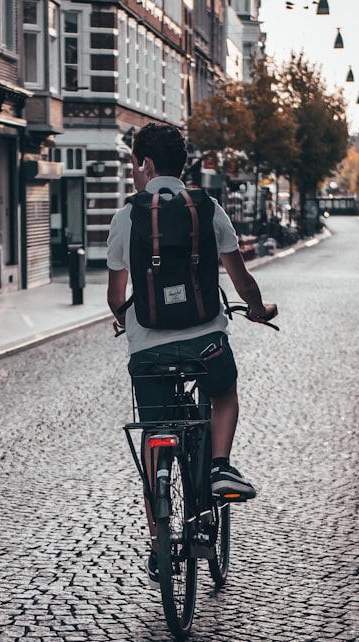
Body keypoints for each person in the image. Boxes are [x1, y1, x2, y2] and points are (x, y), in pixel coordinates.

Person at [106, 122, 277, 582]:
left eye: (133, 163)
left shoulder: (126, 215)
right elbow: (240, 280)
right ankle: (219, 467)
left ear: (143, 164)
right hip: (205, 344)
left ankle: (158, 541)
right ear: (184, 166)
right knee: (224, 393)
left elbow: (116, 292)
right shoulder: (209, 207)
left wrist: (123, 319)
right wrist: (259, 309)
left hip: (148, 353)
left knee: (155, 432)